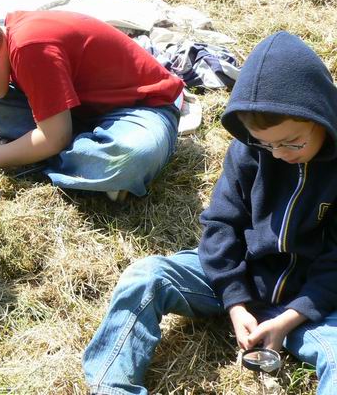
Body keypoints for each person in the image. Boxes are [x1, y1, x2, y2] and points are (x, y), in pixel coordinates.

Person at [83, 31, 337, 394]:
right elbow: (221, 224)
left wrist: (291, 317)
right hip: (241, 275)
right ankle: (112, 387)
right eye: (266, 144)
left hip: (312, 301)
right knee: (147, 275)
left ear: (322, 117)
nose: (279, 154)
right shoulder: (250, 150)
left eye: (292, 142)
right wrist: (235, 301)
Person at [0, 10, 183, 200]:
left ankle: (36, 156)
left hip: (143, 108)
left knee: (131, 157)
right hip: (81, 110)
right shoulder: (7, 45)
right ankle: (76, 163)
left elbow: (55, 138)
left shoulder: (30, 48)